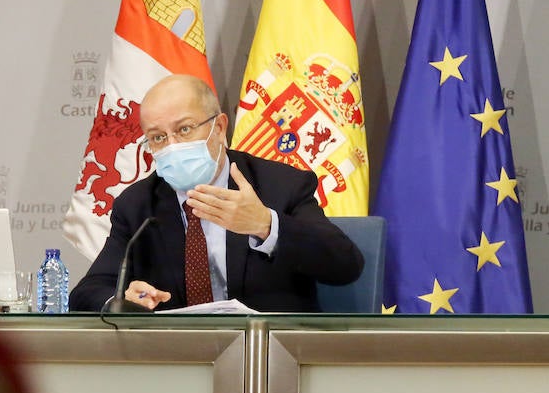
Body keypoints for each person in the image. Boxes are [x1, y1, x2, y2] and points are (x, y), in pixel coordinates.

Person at [68, 74, 363, 313]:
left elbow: (345, 265)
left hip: (273, 357)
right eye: (158, 137)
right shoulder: (138, 205)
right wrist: (121, 301)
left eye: (184, 130)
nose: (172, 146)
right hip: (178, 366)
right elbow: (88, 292)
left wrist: (265, 225)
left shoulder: (280, 185)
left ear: (220, 128)